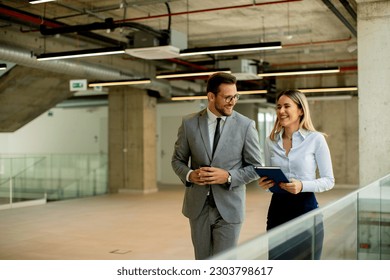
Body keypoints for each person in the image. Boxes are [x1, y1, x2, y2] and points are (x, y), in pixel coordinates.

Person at [171, 72, 263, 260]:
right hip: (198, 207)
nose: (233, 101)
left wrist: (228, 176)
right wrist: (190, 175)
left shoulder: (245, 126)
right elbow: (177, 160)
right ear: (211, 96)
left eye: (236, 96)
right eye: (228, 97)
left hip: (230, 207)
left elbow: (256, 167)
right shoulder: (189, 123)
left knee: (225, 264)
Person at [258, 89, 335, 260]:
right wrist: (265, 185)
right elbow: (270, 177)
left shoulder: (316, 139)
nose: (281, 111)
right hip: (277, 211)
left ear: (300, 110)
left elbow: (329, 181)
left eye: (287, 106)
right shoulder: (270, 141)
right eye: (278, 107)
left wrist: (302, 186)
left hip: (305, 210)